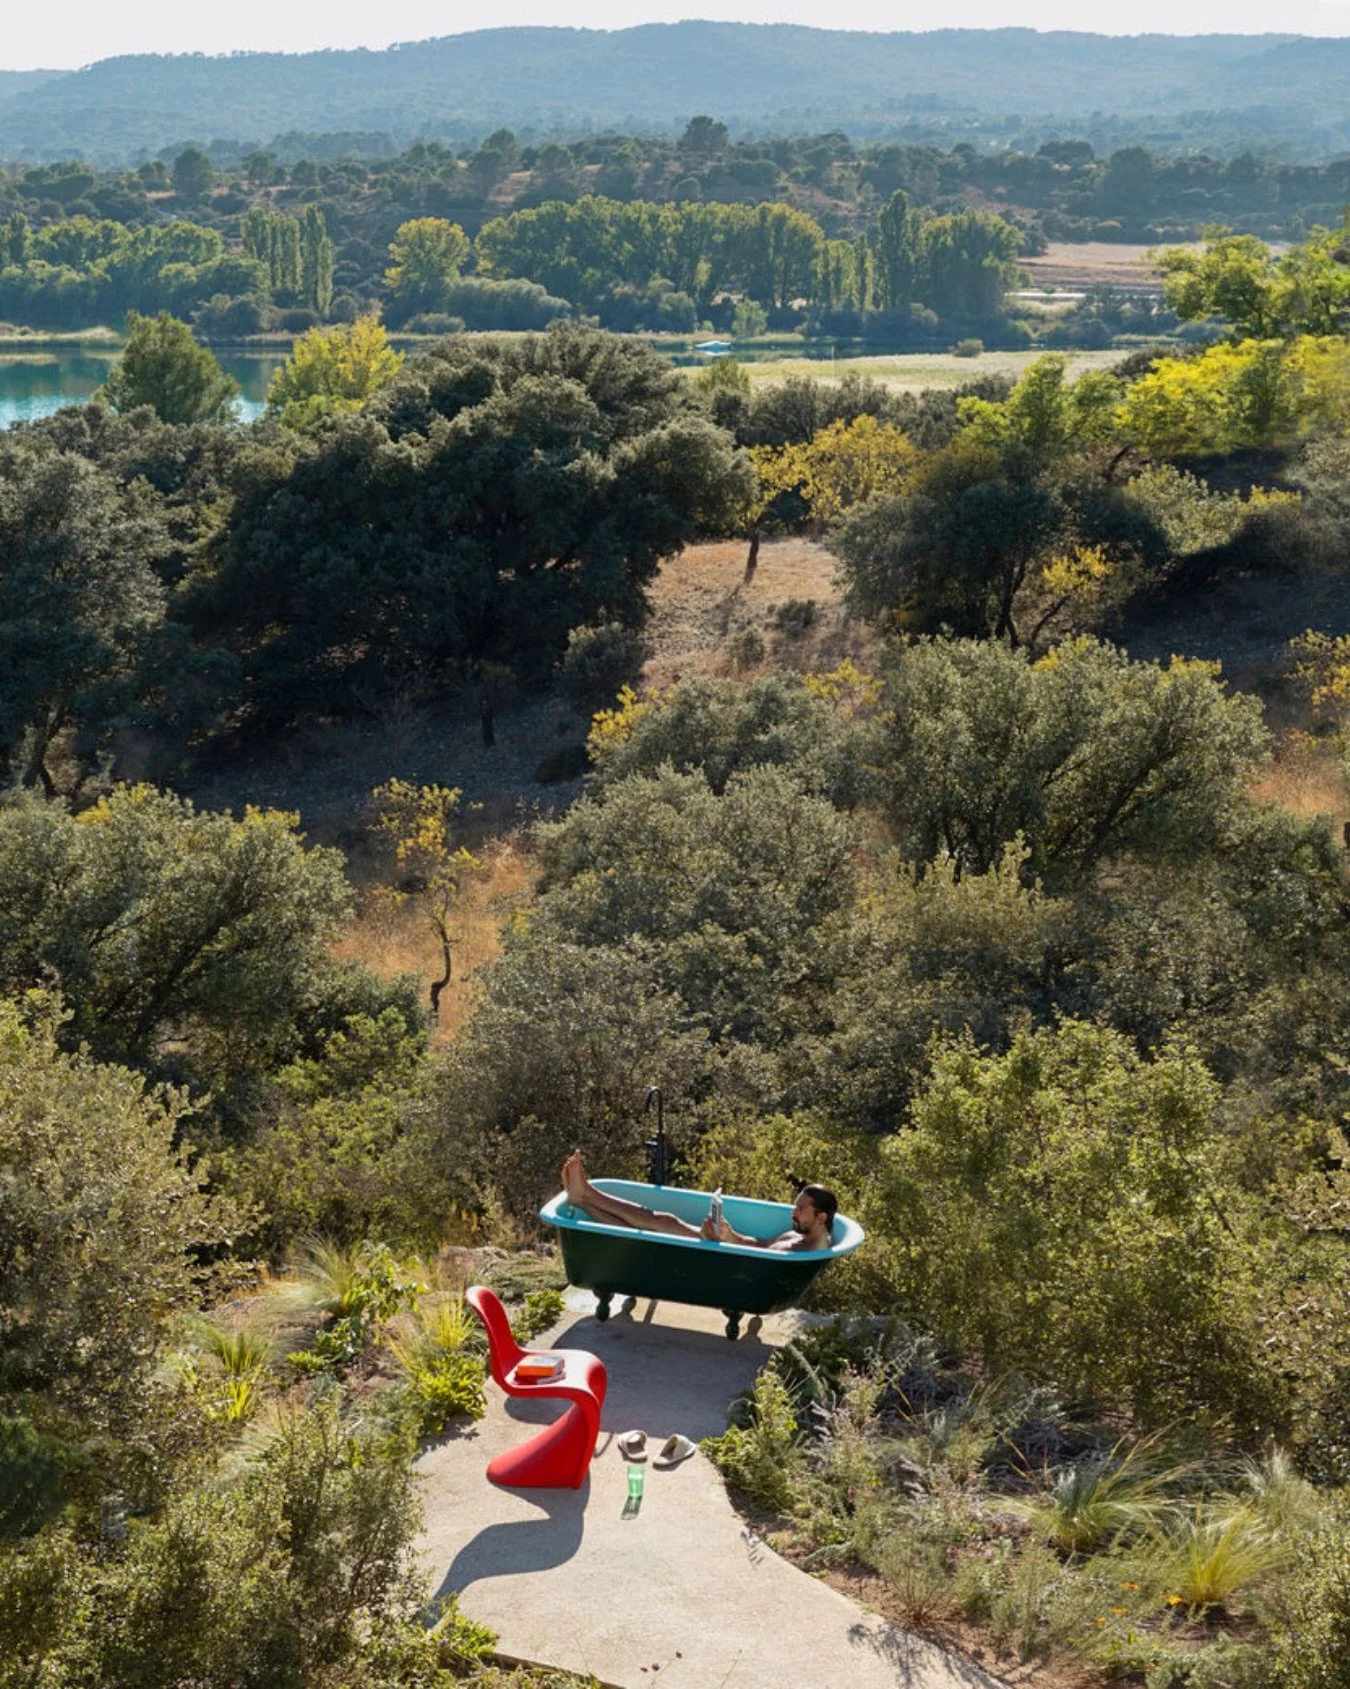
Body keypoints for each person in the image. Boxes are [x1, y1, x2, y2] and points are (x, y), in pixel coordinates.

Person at [560, 1151, 837, 1253]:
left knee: (659, 1222)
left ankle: (588, 1196)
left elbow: (764, 1260)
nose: (794, 1211)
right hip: (724, 1250)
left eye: (801, 1209)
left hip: (722, 1261)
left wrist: (723, 1240)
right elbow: (760, 1246)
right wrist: (729, 1234)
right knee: (649, 1229)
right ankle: (584, 1199)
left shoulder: (814, 1248)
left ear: (821, 1217)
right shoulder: (796, 1233)